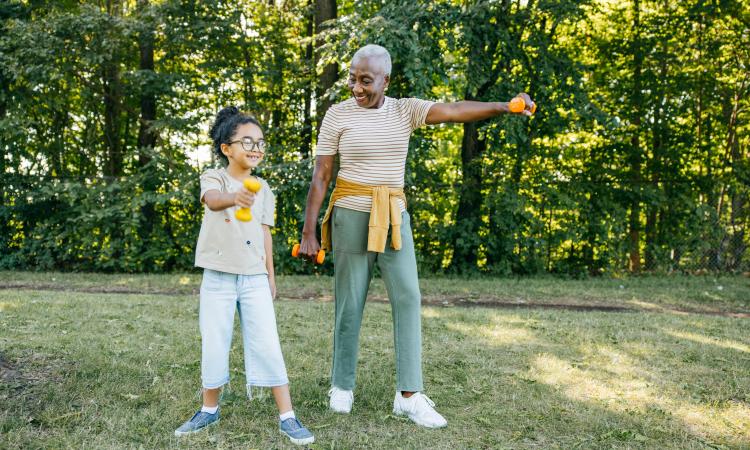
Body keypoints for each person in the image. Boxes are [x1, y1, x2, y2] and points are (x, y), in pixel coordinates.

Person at [297, 44, 535, 428]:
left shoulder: (404, 110)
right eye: (352, 78)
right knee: (349, 303)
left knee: (408, 296)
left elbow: (456, 110)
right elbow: (322, 175)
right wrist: (309, 232)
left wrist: (505, 107)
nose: (356, 87)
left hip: (393, 216)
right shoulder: (337, 115)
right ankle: (341, 387)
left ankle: (409, 396)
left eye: (365, 80)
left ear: (386, 80)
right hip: (350, 215)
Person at [174, 106, 314, 446]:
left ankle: (288, 416)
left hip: (254, 278)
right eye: (247, 141)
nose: (256, 148)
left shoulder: (263, 187)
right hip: (219, 277)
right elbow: (212, 201)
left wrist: (271, 275)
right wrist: (234, 196)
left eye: (261, 143)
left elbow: (265, 232)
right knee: (215, 340)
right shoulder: (214, 178)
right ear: (226, 148)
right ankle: (209, 409)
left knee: (268, 343)